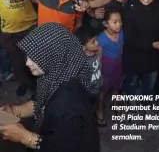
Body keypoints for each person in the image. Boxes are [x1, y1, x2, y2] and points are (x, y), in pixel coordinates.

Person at [0, 23, 100, 152]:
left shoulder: (68, 105)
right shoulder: (57, 73)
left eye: (35, 58)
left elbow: (64, 147)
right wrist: (15, 111)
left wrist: (25, 137)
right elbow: (42, 100)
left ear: (54, 56)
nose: (27, 63)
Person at [0, 0, 37, 96]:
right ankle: (26, 84)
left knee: (34, 62)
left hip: (30, 28)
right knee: (18, 64)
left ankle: (37, 88)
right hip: (9, 31)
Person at [123, 0, 159, 98]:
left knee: (149, 84)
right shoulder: (130, 8)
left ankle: (146, 102)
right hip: (134, 56)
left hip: (152, 58)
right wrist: (151, 44)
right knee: (132, 82)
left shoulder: (158, 8)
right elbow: (128, 38)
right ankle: (130, 101)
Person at [96, 9, 123, 126]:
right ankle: (99, 111)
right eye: (115, 22)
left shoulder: (122, 33)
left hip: (118, 65)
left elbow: (121, 49)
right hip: (106, 68)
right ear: (106, 24)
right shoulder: (102, 39)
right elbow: (98, 58)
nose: (119, 24)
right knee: (103, 91)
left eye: (120, 21)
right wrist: (99, 74)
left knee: (117, 86)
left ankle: (116, 104)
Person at [74, 27, 102, 107]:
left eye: (96, 39)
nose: (97, 43)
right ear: (83, 47)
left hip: (97, 87)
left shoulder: (97, 51)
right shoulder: (81, 62)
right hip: (88, 92)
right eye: (93, 42)